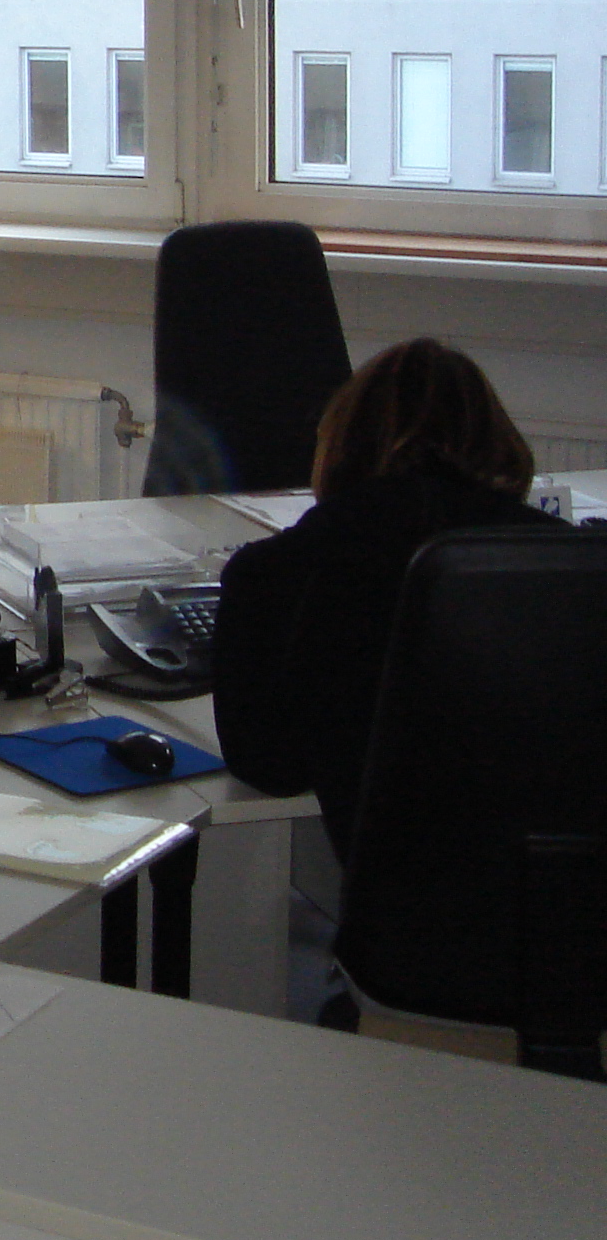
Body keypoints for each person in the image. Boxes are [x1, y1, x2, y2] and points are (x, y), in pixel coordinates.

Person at [213, 337, 560, 857]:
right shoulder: (564, 562)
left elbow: (269, 768)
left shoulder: (279, 570)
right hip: (570, 885)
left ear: (339, 442)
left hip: (399, 889)